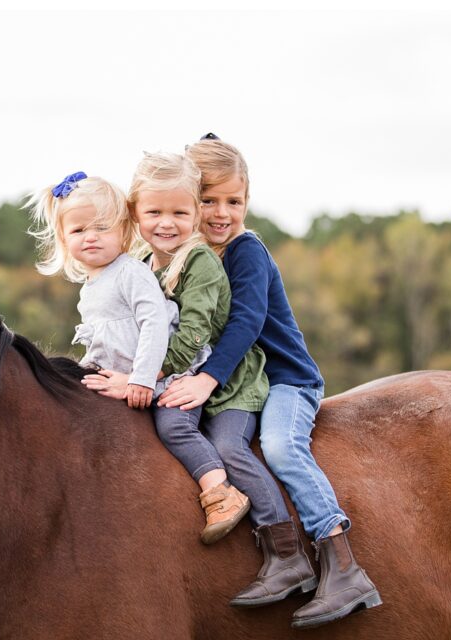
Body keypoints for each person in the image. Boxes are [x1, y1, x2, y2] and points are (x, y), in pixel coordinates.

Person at [158, 135, 382, 629]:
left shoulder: (245, 251)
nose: (221, 213)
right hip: (243, 386)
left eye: (233, 201)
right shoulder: (191, 256)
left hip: (285, 382)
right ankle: (281, 558)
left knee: (280, 447)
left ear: (247, 203)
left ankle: (341, 562)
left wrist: (206, 380)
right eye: (208, 201)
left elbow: (247, 322)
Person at [85, 153, 318, 609]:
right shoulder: (143, 264)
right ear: (135, 214)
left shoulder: (215, 260)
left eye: (181, 212)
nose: (167, 223)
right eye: (154, 212)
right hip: (195, 378)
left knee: (251, 447)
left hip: (246, 382)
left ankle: (289, 547)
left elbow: (209, 331)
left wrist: (143, 379)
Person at [26, 169, 248, 544]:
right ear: (64, 239)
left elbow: (155, 326)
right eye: (78, 231)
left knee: (174, 427)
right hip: (132, 376)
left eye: (101, 228)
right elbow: (108, 343)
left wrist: (144, 379)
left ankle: (221, 489)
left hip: (169, 376)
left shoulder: (131, 273)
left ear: (124, 231)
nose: (90, 237)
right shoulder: (92, 286)